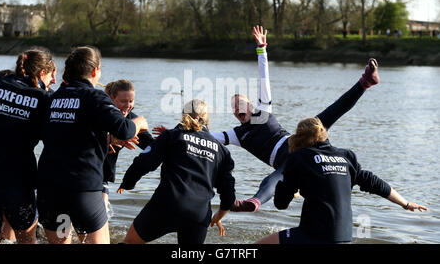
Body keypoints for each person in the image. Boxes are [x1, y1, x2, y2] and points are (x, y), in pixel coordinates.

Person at [210, 25, 380, 213]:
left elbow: (263, 77)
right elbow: (207, 137)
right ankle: (254, 202)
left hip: (300, 139)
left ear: (251, 106)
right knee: (274, 178)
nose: (237, 108)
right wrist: (174, 133)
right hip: (292, 161)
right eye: (233, 107)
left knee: (330, 113)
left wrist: (262, 49)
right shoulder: (236, 134)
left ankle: (365, 83)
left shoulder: (263, 110)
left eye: (240, 104)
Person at [36, 46, 148, 244]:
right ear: (95, 70)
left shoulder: (51, 98)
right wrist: (139, 122)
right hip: (82, 190)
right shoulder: (94, 97)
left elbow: (66, 131)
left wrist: (106, 140)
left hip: (49, 189)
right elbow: (124, 129)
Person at [255, 117, 428, 244]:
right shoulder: (346, 156)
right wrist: (405, 203)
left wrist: (290, 190)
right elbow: (375, 183)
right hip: (344, 237)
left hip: (314, 235)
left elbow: (280, 203)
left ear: (300, 138)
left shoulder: (299, 157)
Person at [118, 99, 236, 244]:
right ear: (207, 119)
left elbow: (144, 163)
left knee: (130, 242)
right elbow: (229, 193)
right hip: (198, 214)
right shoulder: (221, 150)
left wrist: (127, 183)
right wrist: (220, 215)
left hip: (167, 205)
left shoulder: (172, 136)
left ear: (183, 115)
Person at [0, 48, 56, 244]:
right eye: (52, 75)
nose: (53, 81)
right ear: (42, 73)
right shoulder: (43, 99)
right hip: (18, 180)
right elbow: (59, 134)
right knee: (27, 238)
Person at [102, 79, 158, 210]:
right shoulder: (101, 112)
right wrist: (110, 138)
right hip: (86, 168)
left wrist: (170, 138)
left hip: (102, 174)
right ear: (112, 98)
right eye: (123, 101)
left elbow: (150, 145)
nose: (127, 105)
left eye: (131, 101)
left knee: (101, 210)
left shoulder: (131, 120)